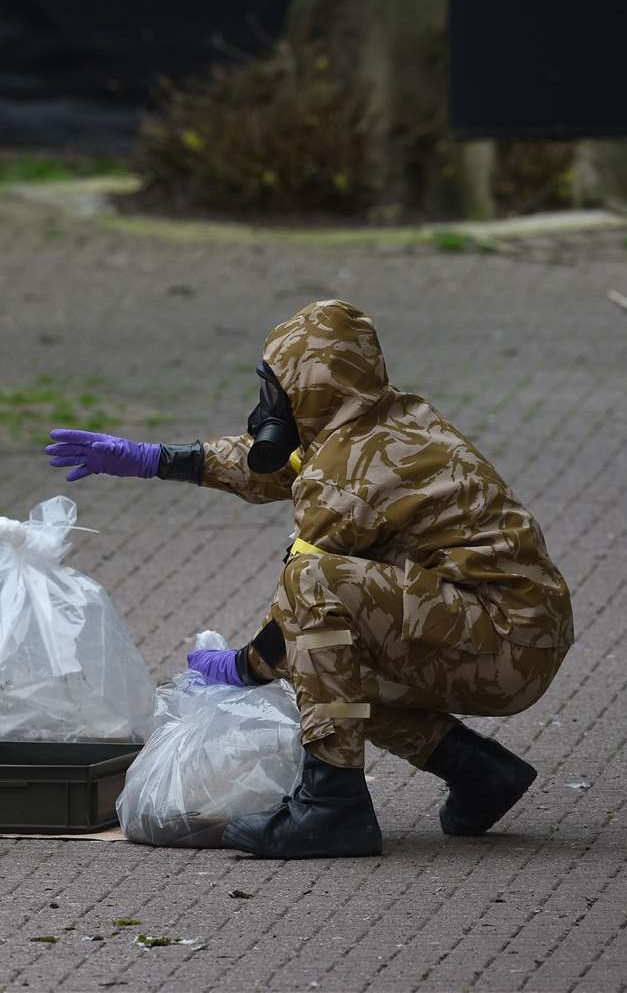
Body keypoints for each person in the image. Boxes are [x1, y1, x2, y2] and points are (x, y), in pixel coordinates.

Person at [44, 299, 573, 859]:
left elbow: (306, 601)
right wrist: (160, 459)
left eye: (276, 389)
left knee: (313, 594)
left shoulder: (350, 476)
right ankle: (478, 773)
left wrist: (243, 667)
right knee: (332, 659)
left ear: (311, 388)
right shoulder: (383, 423)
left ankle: (332, 808)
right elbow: (274, 467)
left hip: (502, 644)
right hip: (512, 631)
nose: (269, 404)